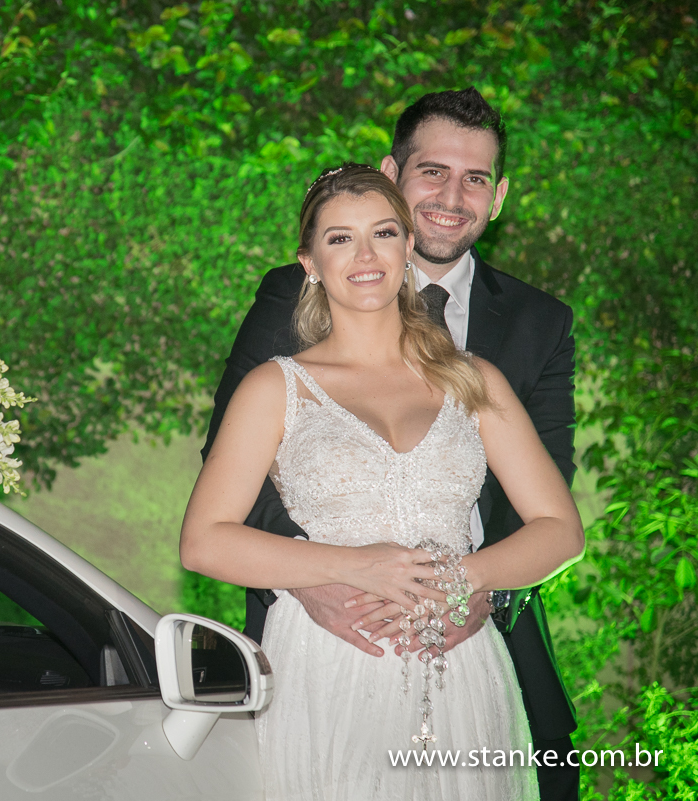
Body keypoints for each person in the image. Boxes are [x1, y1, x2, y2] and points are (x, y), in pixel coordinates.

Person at [200, 88, 581, 800]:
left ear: (497, 197)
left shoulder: (526, 335)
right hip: (327, 641)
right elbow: (222, 501)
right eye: (433, 170)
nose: (451, 195)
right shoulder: (285, 326)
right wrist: (325, 580)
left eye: (475, 178)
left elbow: (550, 508)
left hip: (467, 646)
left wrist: (475, 584)